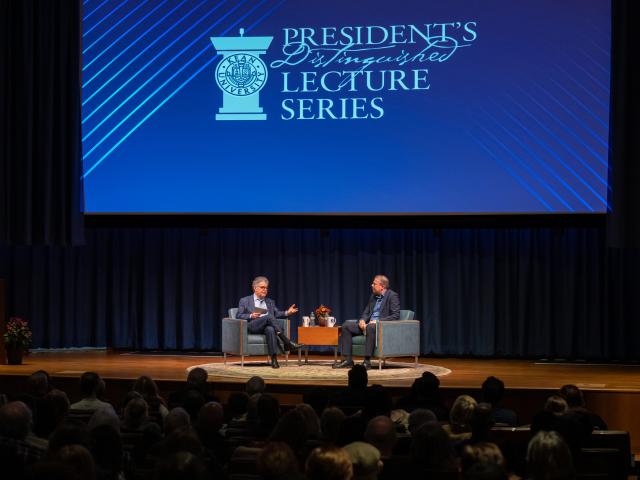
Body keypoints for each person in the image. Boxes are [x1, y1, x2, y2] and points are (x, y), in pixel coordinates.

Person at [334, 275, 400, 370]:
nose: (371, 285)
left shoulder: (392, 296)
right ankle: (348, 360)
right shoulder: (373, 296)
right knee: (346, 326)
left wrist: (377, 321)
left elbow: (395, 315)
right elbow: (366, 312)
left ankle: (367, 361)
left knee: (371, 327)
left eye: (374, 283)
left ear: (382, 286)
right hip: (367, 325)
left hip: (380, 327)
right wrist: (362, 320)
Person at [237, 276, 302, 369]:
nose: (265, 290)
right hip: (253, 326)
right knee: (269, 316)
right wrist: (251, 315)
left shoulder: (270, 302)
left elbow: (277, 313)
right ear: (255, 288)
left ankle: (274, 359)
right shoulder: (245, 300)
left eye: (266, 288)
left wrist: (288, 312)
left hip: (267, 326)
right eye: (262, 287)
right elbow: (239, 315)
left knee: (270, 329)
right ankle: (287, 342)